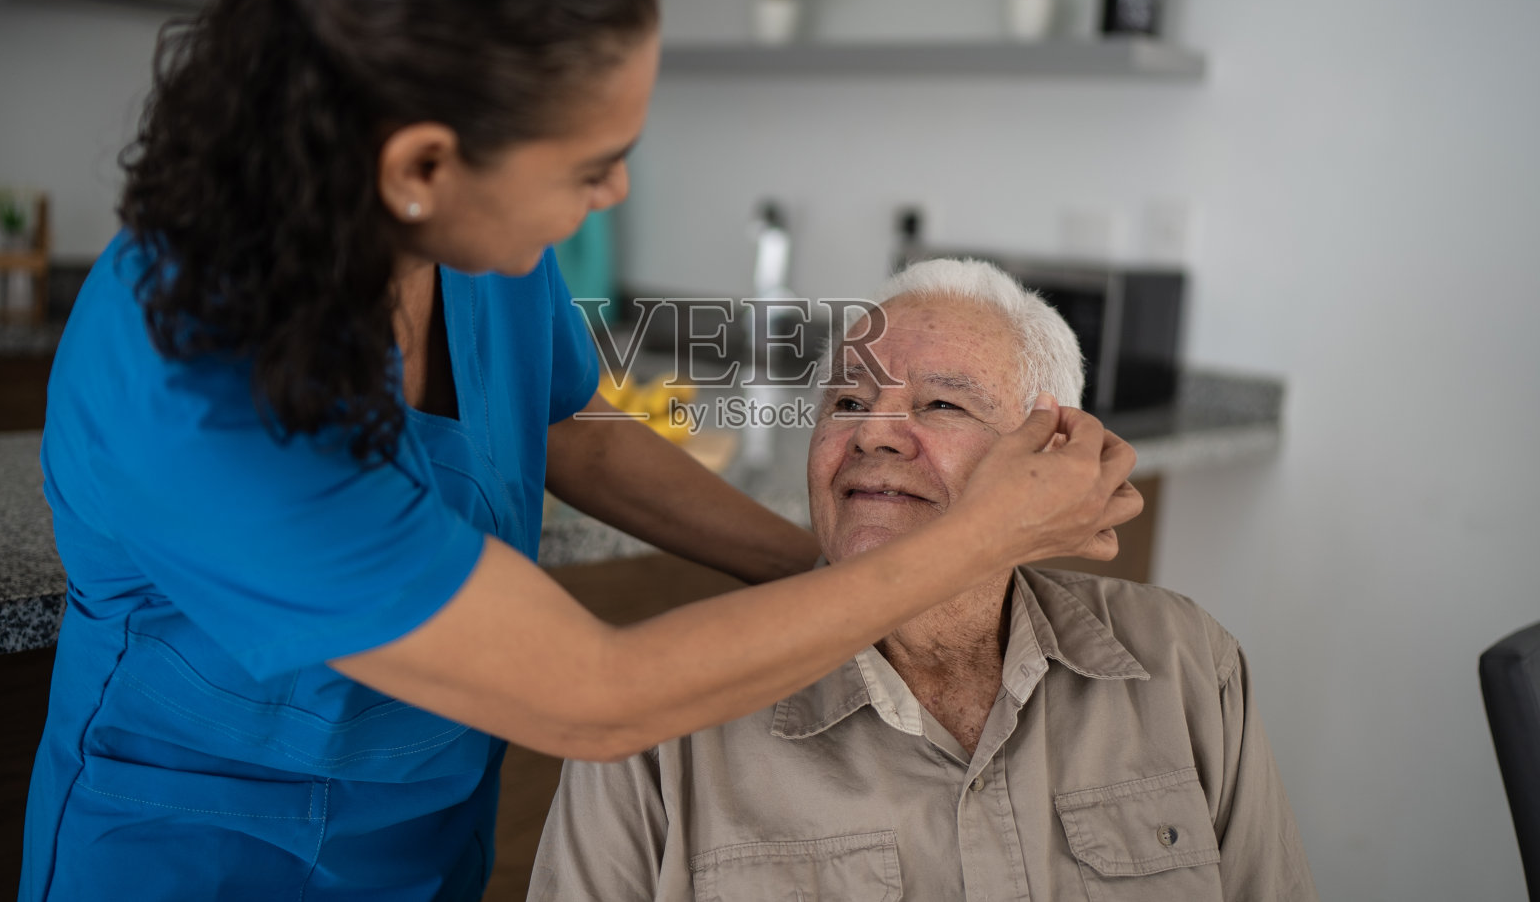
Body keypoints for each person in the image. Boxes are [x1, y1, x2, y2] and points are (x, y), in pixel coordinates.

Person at [19, 0, 1142, 900]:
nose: (610, 198)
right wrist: (971, 541)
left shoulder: (465, 242)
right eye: (592, 166)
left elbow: (573, 430)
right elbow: (597, 696)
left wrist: (821, 570)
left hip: (420, 840)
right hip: (205, 859)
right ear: (423, 161)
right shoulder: (193, 387)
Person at [529, 258, 1318, 902]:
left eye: (941, 402)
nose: (871, 429)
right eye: (846, 399)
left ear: (1056, 459)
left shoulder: (1185, 666)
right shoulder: (661, 739)